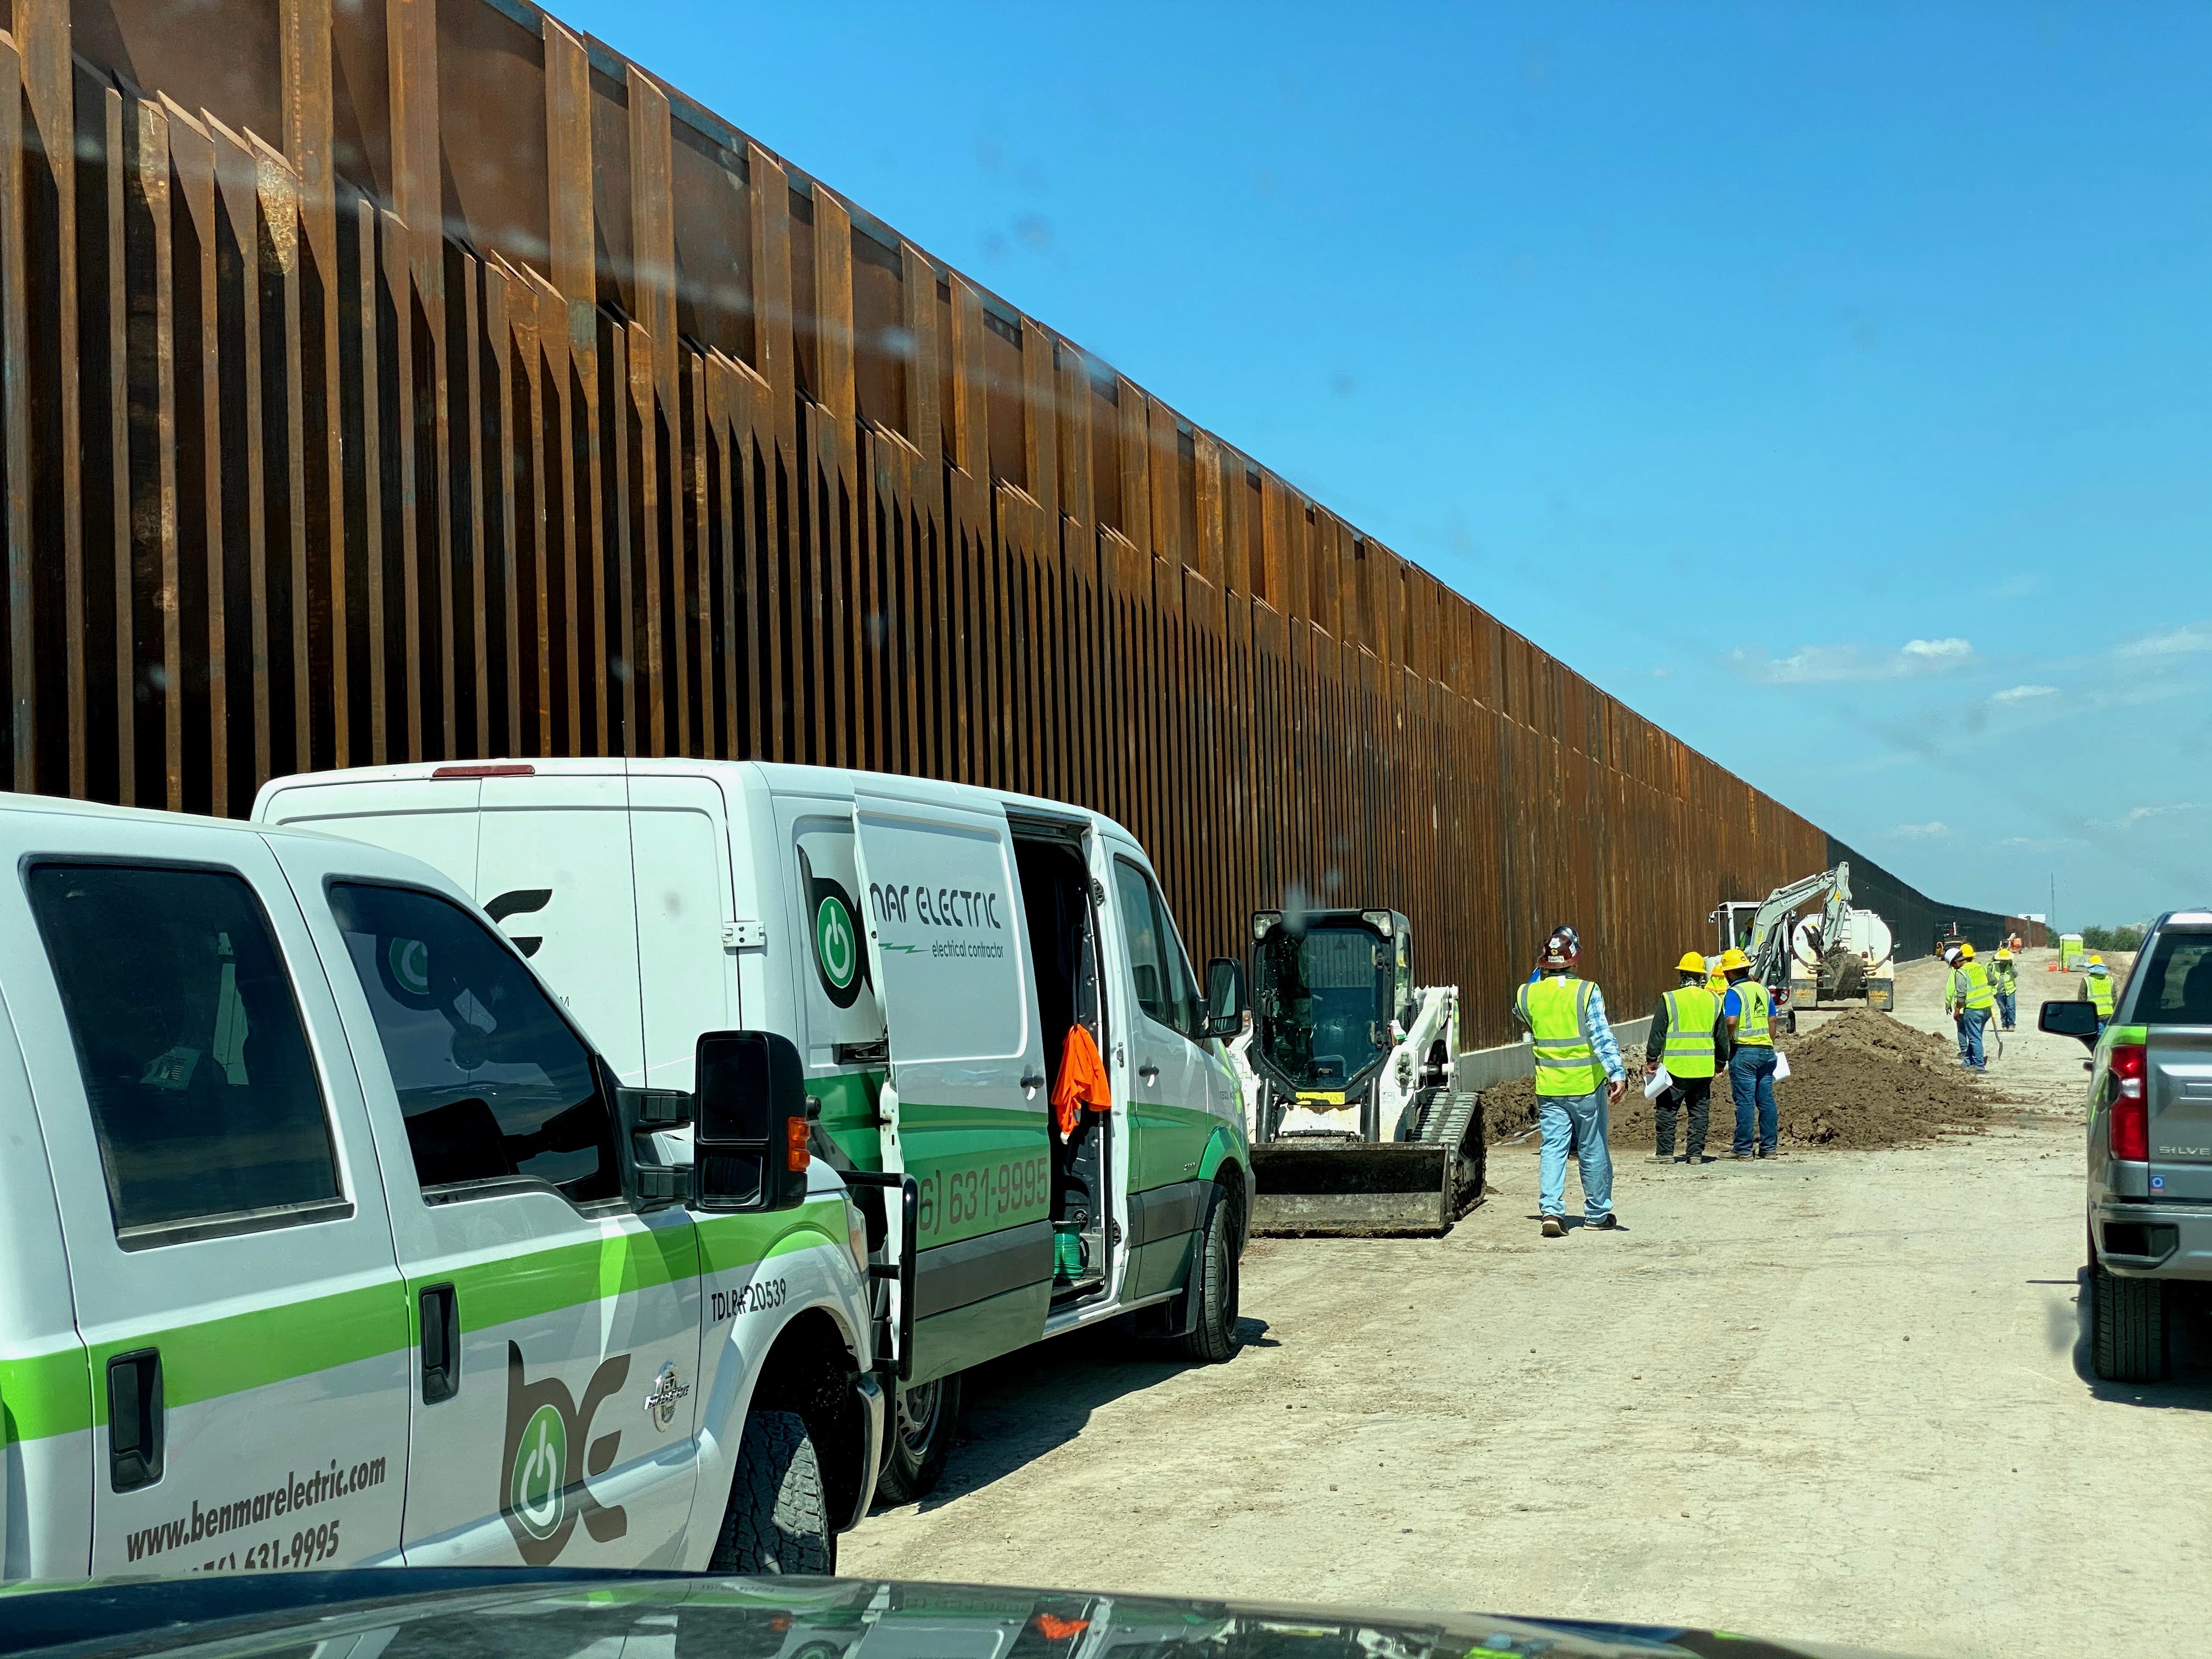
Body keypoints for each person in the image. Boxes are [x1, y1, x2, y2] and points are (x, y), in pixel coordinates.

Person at [1512, 928, 1626, 1238]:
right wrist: (1617, 1072)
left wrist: (1541, 973)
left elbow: (1523, 1012)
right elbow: (1601, 1035)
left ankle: (1551, 1212)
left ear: (1544, 962)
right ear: (1575, 958)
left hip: (1549, 1086)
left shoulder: (1527, 993)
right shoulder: (1587, 991)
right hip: (1585, 1086)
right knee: (1592, 1147)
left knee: (1553, 1148)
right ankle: (1597, 1213)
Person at [1646, 951, 1728, 1164]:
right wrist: (1720, 1063)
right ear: (1702, 976)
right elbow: (1721, 1037)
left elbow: (1658, 1032)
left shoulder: (1670, 998)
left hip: (1675, 1068)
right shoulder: (1714, 1001)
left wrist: (1652, 1059)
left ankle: (1664, 1153)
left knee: (1667, 1110)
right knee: (1699, 1113)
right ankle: (1695, 1155)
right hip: (1703, 1069)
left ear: (1681, 974)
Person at [1720, 947, 1780, 1158]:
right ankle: (1769, 1148)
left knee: (1745, 1101)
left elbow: (1731, 1021)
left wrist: (1726, 1042)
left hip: (1744, 1052)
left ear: (1728, 974)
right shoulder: (1763, 991)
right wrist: (1768, 1044)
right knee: (1766, 1101)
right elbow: (1772, 1020)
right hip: (1766, 1051)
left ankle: (1743, 1149)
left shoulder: (1734, 993)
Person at [1945, 943, 1996, 1071]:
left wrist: (1957, 1010)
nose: (1954, 968)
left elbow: (1961, 995)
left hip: (1974, 1009)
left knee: (1974, 1038)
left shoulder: (1961, 973)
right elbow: (1994, 981)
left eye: (1952, 966)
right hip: (1987, 1008)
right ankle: (1968, 1063)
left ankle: (1979, 1065)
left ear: (1956, 962)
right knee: (1976, 1036)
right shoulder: (1981, 967)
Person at [2081, 952, 2115, 1033]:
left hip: (2095, 1016)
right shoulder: (2110, 979)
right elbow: (2115, 998)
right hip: (2109, 1015)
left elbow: (2082, 1000)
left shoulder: (2087, 980)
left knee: (2098, 1039)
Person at [1990, 946, 2019, 1031]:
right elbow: (1990, 976)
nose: (2003, 961)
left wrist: (2012, 966)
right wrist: (1991, 961)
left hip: (2010, 990)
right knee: (2003, 1009)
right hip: (1999, 991)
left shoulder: (2011, 966)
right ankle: (2004, 1024)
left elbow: (2016, 975)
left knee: (2011, 1007)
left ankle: (2011, 1024)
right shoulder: (1994, 966)